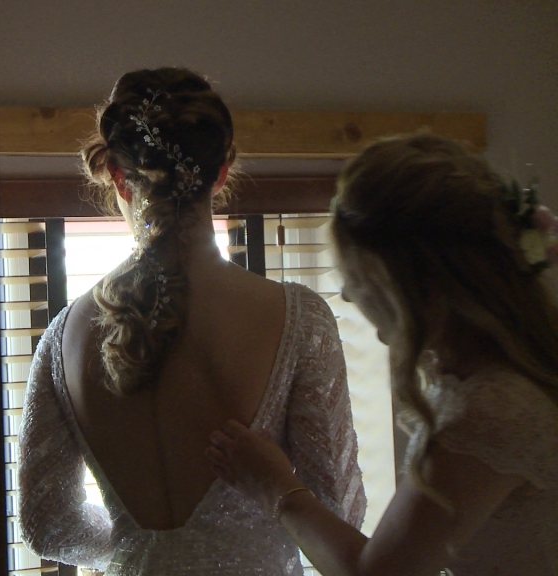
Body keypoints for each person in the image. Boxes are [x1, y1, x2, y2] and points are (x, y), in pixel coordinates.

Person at [17, 67, 366, 575]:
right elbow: (338, 511)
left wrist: (136, 542)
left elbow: (48, 525)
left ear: (118, 176)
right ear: (222, 172)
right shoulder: (298, 319)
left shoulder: (62, 338)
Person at [207, 134, 558, 575]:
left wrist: (277, 487)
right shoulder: (485, 384)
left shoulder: (494, 410)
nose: (351, 296)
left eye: (359, 276)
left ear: (415, 287)